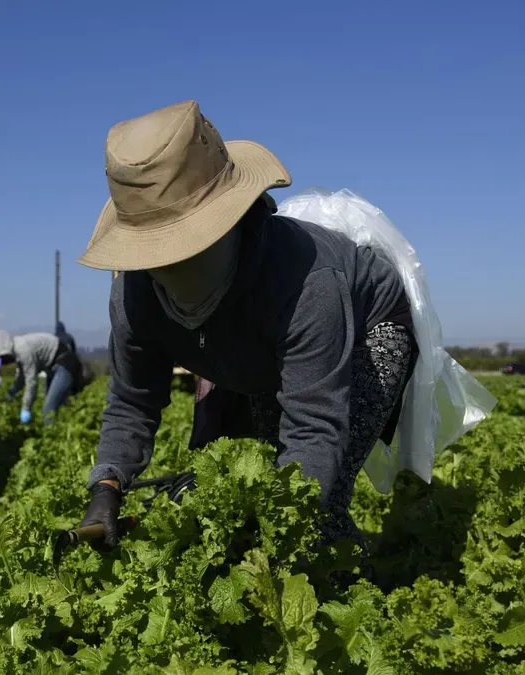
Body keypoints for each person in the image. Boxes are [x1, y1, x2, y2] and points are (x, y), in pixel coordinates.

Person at [75, 100, 418, 551]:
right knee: (257, 486)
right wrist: (107, 486)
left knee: (311, 502)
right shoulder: (133, 295)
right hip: (254, 345)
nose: (171, 268)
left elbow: (314, 425)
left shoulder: (304, 280)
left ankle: (344, 582)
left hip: (368, 329)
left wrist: (285, 519)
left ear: (232, 218)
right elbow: (132, 402)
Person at [0, 326, 77, 424]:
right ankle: (66, 425)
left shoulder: (23, 351)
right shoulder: (17, 348)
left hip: (64, 364)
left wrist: (26, 409)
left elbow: (31, 382)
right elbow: (22, 376)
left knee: (48, 408)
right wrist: (13, 391)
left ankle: (52, 433)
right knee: (60, 403)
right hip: (54, 366)